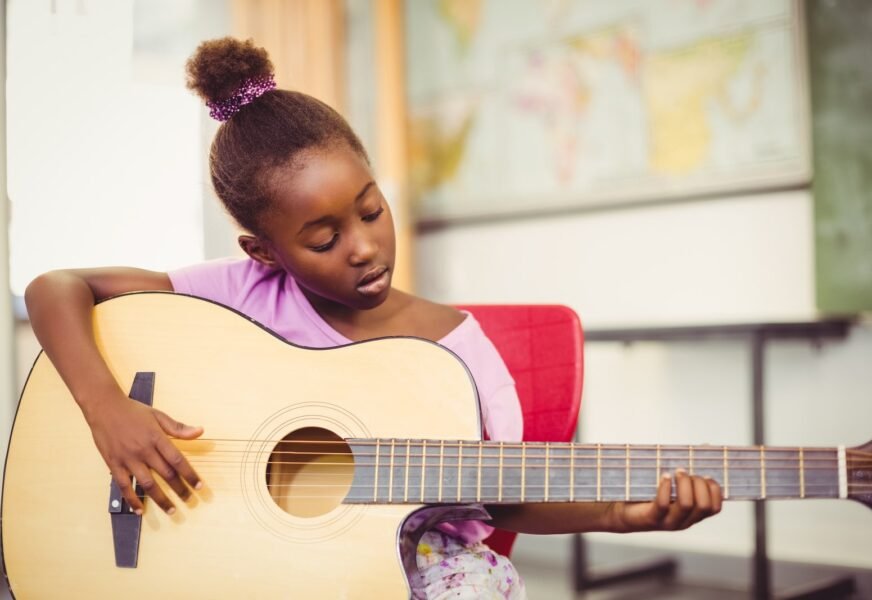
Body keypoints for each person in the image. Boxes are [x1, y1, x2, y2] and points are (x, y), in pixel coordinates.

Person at [24, 38, 722, 599]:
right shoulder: (239, 295)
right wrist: (108, 409)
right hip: (247, 557)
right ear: (263, 251)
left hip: (410, 563)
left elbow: (501, 502)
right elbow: (56, 287)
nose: (363, 246)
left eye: (370, 209)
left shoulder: (454, 349)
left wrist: (620, 515)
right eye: (324, 240)